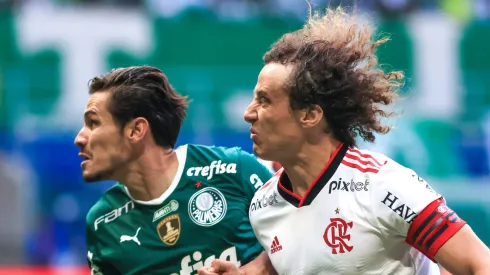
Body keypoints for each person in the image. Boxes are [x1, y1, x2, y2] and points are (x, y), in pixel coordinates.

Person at [198, 7, 490, 275]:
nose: (249, 113)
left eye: (264, 100)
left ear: (310, 115)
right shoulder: (263, 205)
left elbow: (479, 264)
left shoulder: (384, 186)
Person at [74, 65, 275, 275]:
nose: (79, 138)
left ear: (136, 130)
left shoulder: (234, 169)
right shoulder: (102, 223)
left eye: (93, 123)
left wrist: (248, 272)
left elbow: (300, 237)